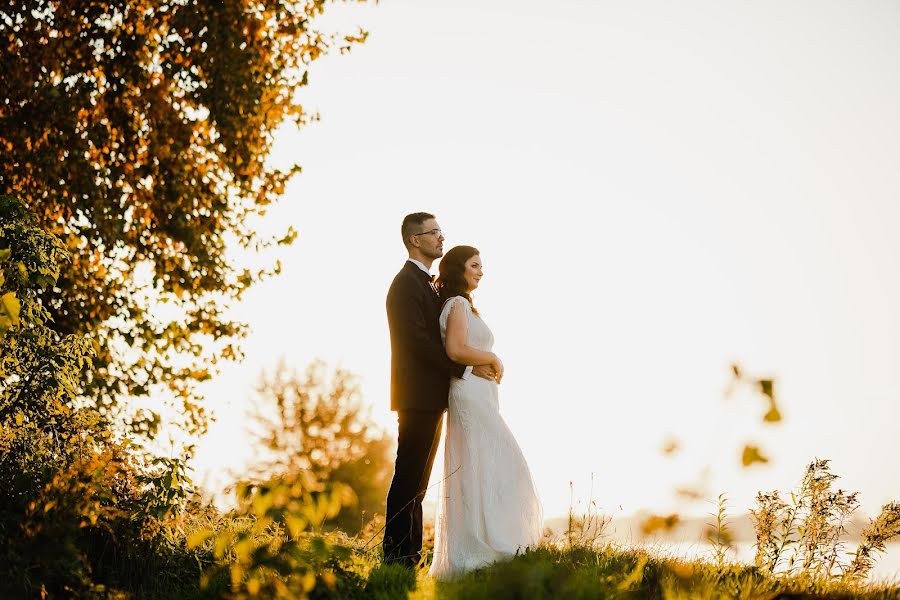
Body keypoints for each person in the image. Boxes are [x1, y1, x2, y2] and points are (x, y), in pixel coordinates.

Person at [382, 213, 495, 568]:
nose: (440, 238)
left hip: (431, 396)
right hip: (416, 396)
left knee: (417, 481)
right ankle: (398, 556)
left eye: (441, 232)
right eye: (433, 233)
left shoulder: (428, 284)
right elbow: (417, 343)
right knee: (409, 477)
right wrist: (464, 366)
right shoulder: (404, 285)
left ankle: (408, 555)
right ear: (414, 240)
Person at [427, 244, 544, 580]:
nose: (481, 271)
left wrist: (482, 363)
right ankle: (486, 545)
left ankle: (491, 542)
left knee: (482, 465)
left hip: (479, 394)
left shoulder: (463, 304)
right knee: (501, 462)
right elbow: (455, 349)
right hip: (469, 397)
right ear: (458, 269)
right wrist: (492, 359)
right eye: (475, 265)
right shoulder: (458, 303)